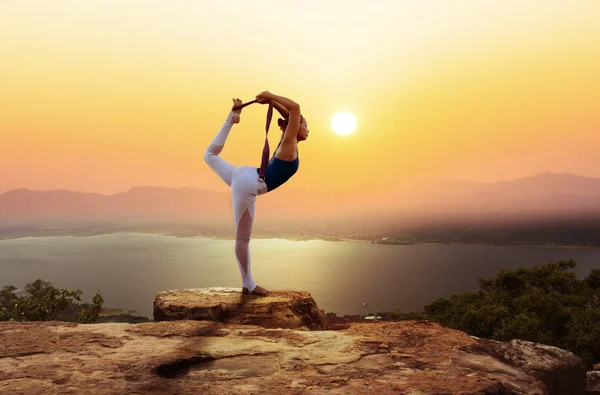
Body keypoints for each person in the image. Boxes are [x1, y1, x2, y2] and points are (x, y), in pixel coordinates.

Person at [203, 91, 309, 296]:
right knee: (243, 239)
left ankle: (232, 117)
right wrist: (270, 96)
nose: (307, 130)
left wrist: (271, 101)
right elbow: (295, 109)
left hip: (243, 175)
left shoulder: (288, 142)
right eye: (305, 125)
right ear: (295, 127)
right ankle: (248, 285)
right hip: (247, 184)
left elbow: (290, 114)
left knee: (209, 155)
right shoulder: (288, 143)